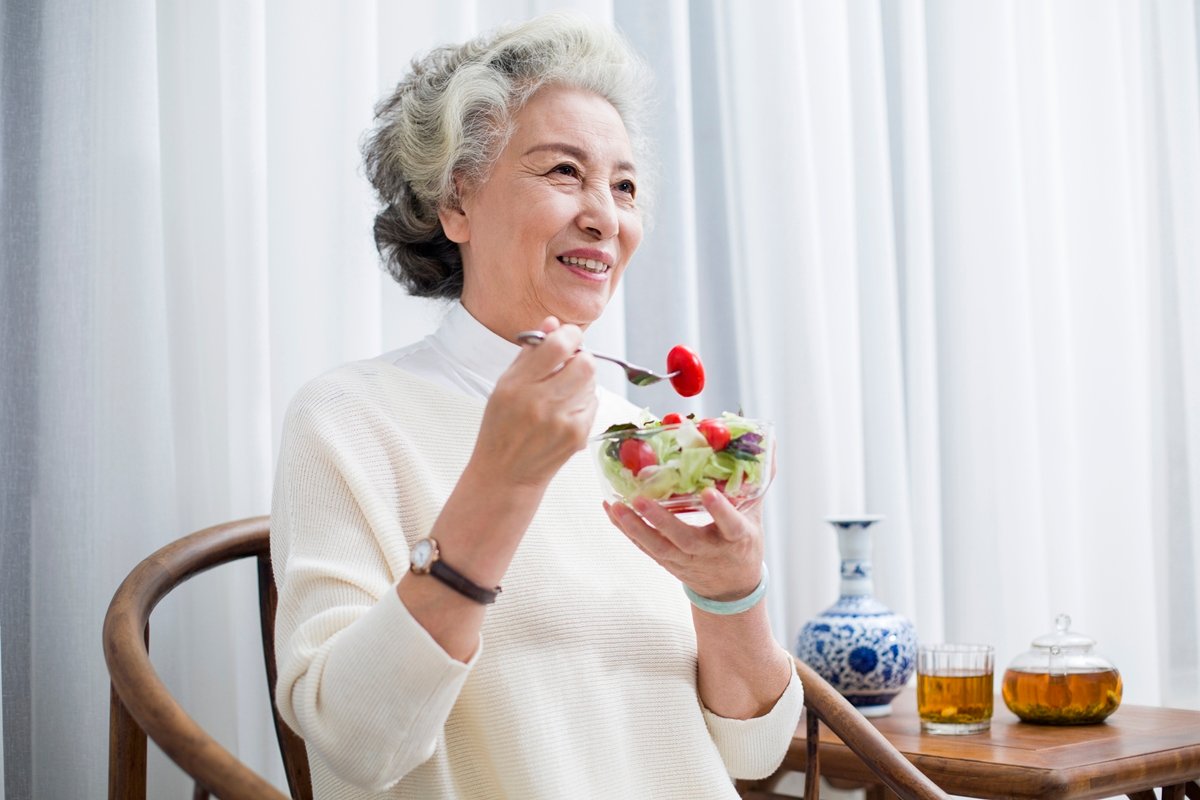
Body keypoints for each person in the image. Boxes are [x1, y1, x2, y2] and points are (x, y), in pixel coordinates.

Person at [271, 12, 802, 799]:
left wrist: (733, 592)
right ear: (457, 203)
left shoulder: (640, 442)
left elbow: (753, 753)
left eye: (623, 186)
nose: (605, 215)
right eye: (563, 171)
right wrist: (502, 482)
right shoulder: (349, 418)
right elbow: (355, 745)